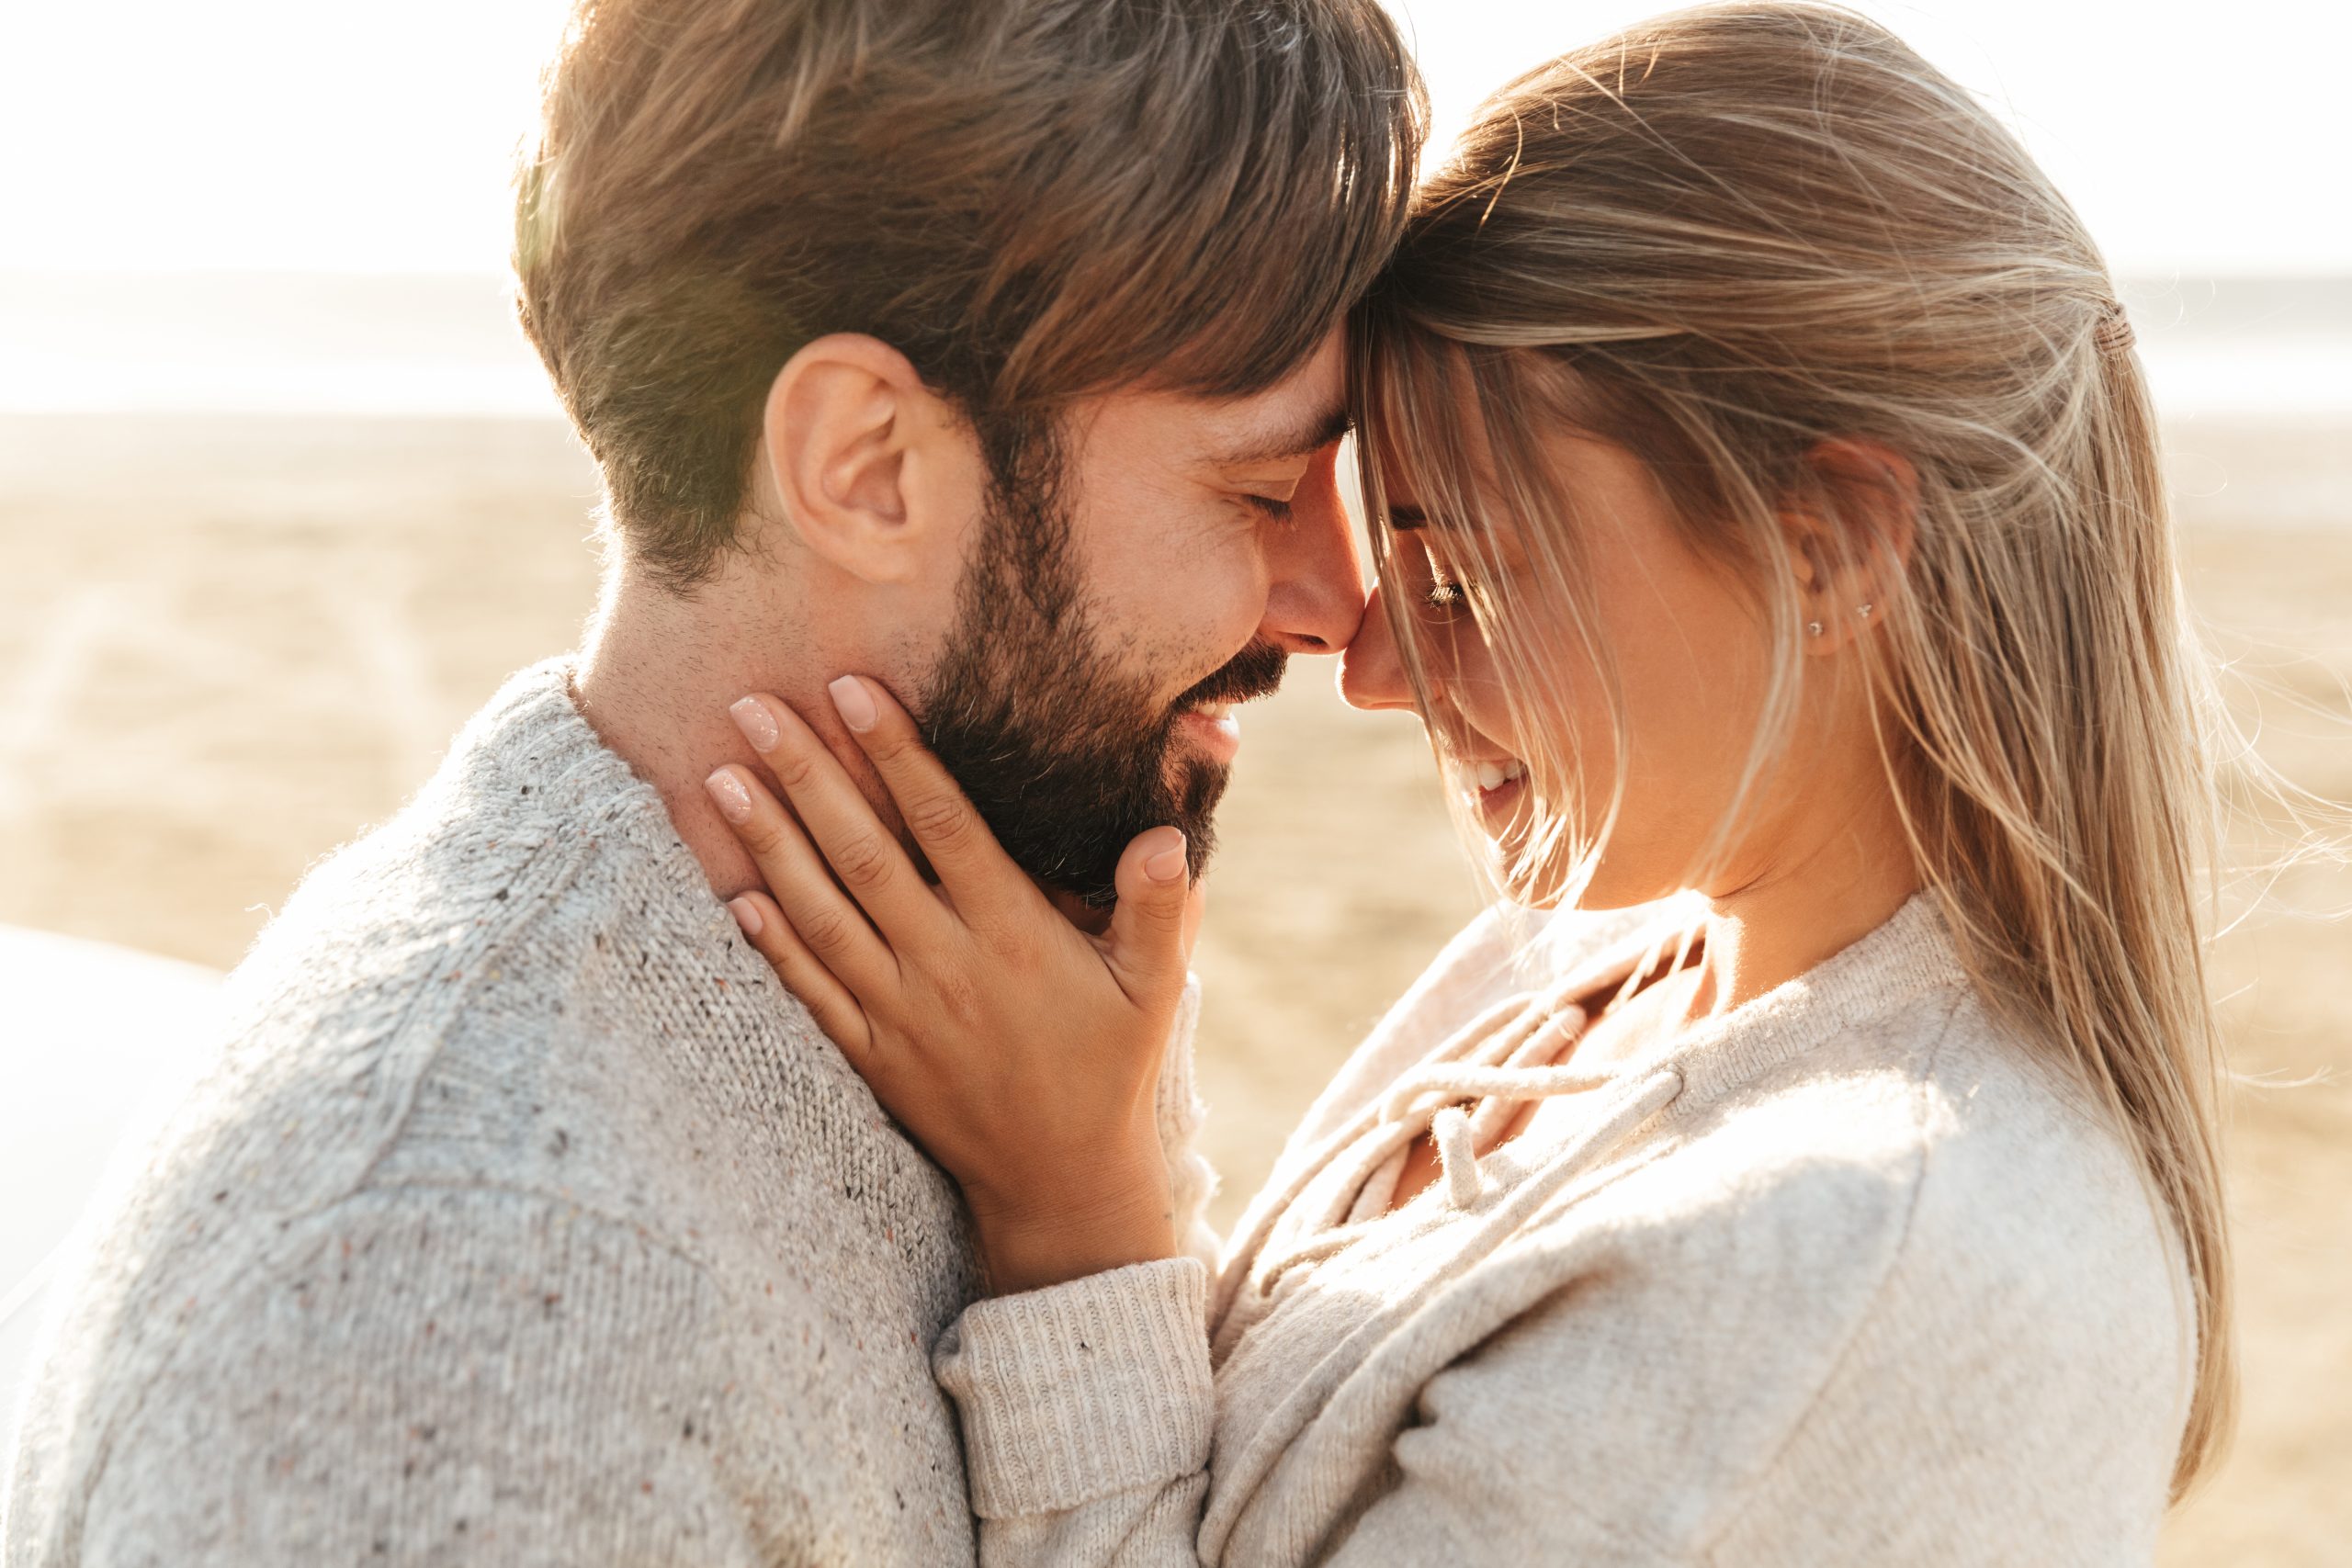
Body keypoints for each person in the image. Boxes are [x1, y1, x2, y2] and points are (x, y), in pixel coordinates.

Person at [714, 4, 2236, 1562]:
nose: (1376, 668)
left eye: (1471, 573)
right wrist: (1111, 1114)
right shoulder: (1594, 960)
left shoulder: (1856, 1266)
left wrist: (1072, 1220)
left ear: (1829, 546)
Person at [0, 2, 1421, 1563]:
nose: (1338, 609)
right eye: (1267, 487)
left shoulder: (1008, 992)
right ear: (867, 464)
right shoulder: (461, 1326)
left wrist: (1092, 1223)